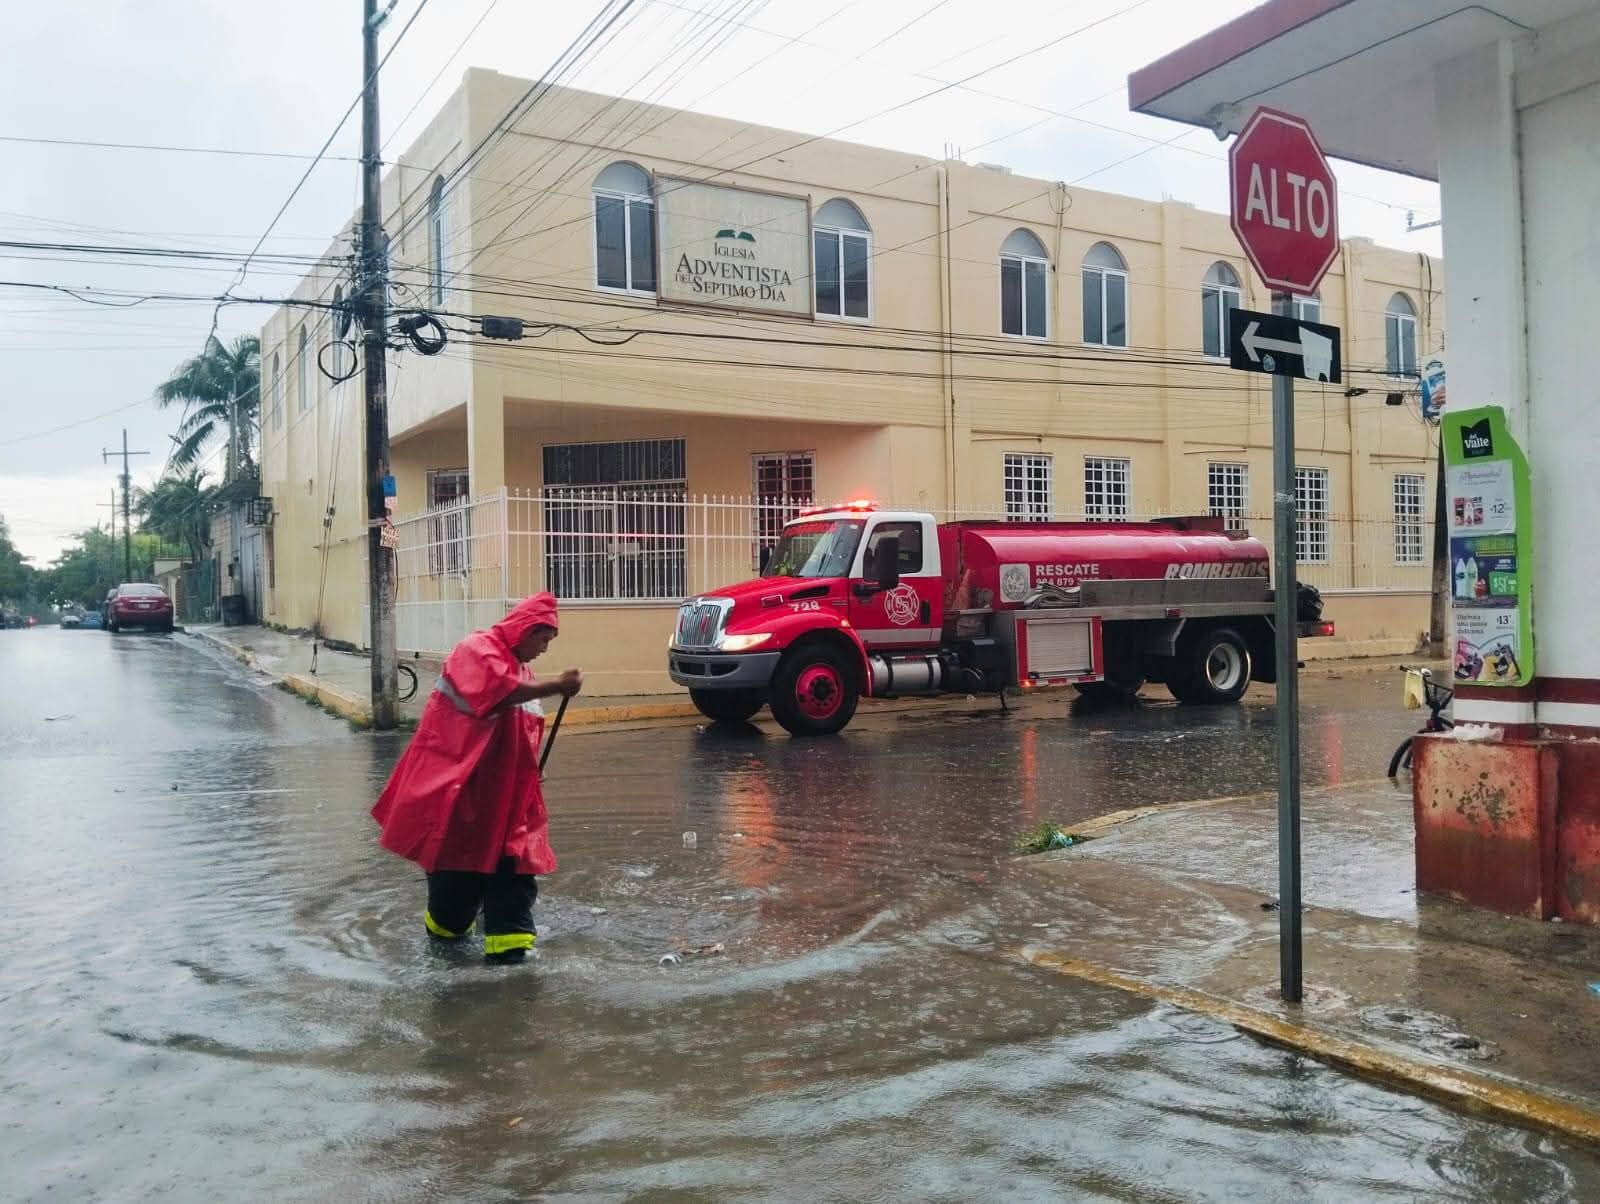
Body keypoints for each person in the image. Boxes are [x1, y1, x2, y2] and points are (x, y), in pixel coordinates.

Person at [371, 592, 582, 963]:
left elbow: (521, 730)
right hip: (461, 799)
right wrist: (557, 686)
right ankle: (446, 951)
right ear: (526, 630)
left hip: (506, 805)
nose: (544, 649)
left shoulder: (524, 673)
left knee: (513, 877)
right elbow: (496, 692)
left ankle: (512, 964)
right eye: (543, 639)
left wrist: (533, 768)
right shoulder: (475, 650)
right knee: (454, 892)